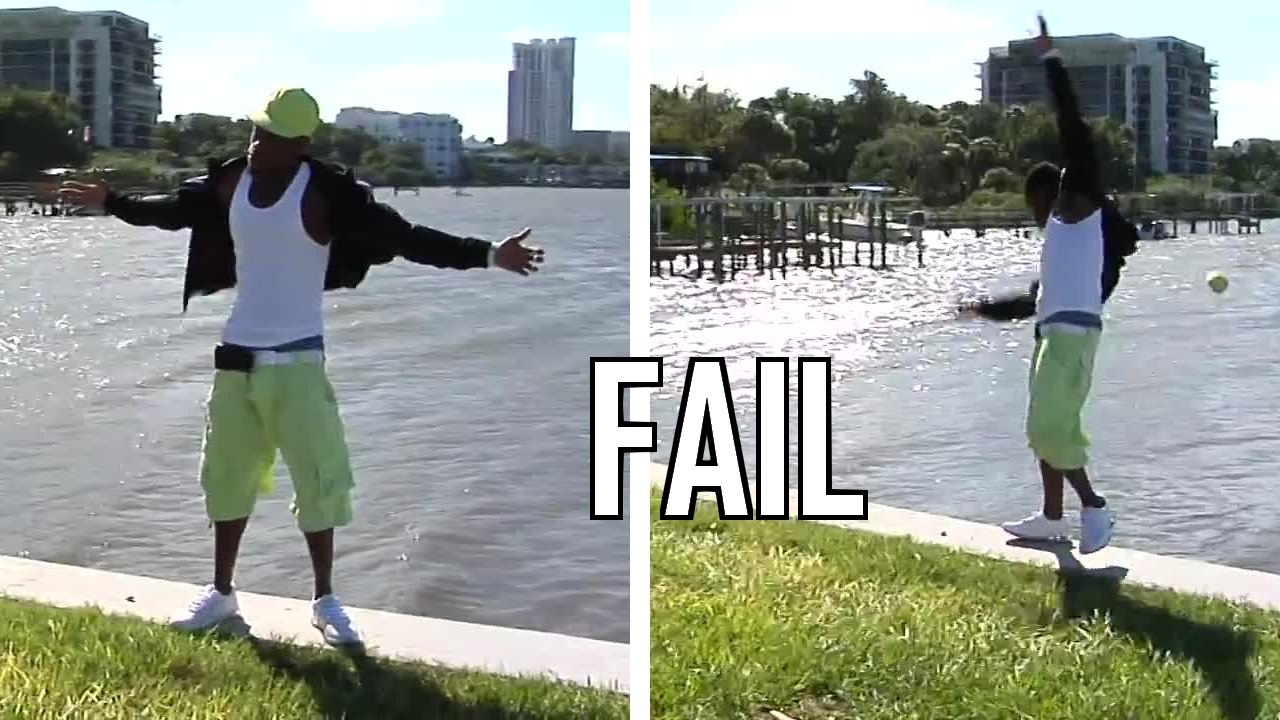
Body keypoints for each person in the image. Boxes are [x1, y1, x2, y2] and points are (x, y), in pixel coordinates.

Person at [59, 87, 545, 646]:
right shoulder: (228, 182)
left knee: (319, 482)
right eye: (256, 129)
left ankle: (325, 601)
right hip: (235, 360)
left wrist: (488, 253)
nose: (256, 141)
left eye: (270, 135)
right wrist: (114, 202)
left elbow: (407, 239)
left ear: (300, 144)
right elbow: (171, 212)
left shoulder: (329, 196)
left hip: (298, 362)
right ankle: (221, 593)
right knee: (226, 479)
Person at [959, 18, 1138, 554]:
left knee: (1052, 428)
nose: (1035, 214)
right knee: (1042, 428)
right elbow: (1028, 302)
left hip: (1071, 341)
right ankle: (1052, 516)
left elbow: (1075, 132)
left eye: (1034, 203)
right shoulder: (1062, 240)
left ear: (1050, 192)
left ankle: (1095, 508)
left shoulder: (1078, 208)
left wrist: (1051, 60)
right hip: (1052, 337)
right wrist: (980, 310)